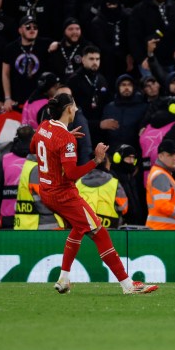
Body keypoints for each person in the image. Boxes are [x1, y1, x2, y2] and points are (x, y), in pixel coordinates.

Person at [28, 93, 157, 294]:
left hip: (47, 192)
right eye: (75, 106)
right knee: (100, 232)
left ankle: (63, 279)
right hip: (63, 194)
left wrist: (62, 146)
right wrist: (96, 160)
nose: (77, 110)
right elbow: (71, 174)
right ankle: (128, 285)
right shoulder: (65, 139)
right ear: (69, 109)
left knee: (79, 228)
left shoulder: (44, 126)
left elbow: (34, 146)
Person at [145, 139, 175, 230]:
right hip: (165, 231)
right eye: (170, 155)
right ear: (160, 156)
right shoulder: (160, 175)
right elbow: (162, 205)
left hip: (165, 230)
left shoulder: (162, 174)